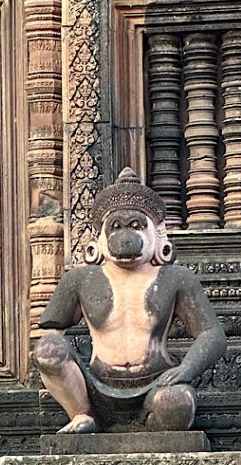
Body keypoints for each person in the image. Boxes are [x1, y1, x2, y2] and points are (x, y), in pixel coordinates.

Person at [34, 168, 226, 434]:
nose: (125, 234)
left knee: (178, 403)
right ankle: (81, 414)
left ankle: (150, 424)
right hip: (94, 386)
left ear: (156, 234)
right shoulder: (79, 279)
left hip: (157, 383)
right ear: (99, 238)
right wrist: (61, 379)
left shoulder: (176, 278)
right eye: (116, 226)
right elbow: (51, 333)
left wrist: (186, 369)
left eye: (136, 225)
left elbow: (212, 333)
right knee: (47, 349)